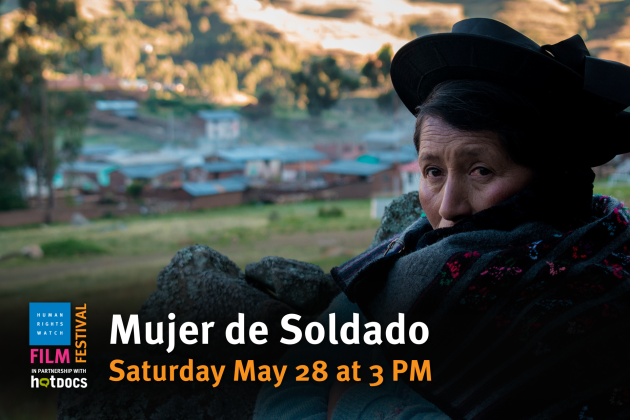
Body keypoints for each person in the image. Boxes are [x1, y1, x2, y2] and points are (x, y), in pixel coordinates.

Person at [254, 18, 630, 420]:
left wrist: (357, 397)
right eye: (433, 171)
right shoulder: (399, 265)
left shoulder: (598, 294)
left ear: (551, 179)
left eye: (480, 170)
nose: (449, 207)